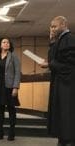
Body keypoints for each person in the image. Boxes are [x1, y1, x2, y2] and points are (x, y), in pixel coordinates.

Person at [39, 16, 75, 146]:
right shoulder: (60, 40)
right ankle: (63, 139)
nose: (52, 29)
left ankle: (69, 140)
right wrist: (52, 41)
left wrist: (50, 64)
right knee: (60, 113)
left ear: (64, 25)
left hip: (68, 85)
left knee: (67, 113)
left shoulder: (70, 40)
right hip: (60, 83)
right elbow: (53, 59)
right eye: (51, 26)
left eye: (54, 26)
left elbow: (69, 65)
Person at [0, 37, 21, 141]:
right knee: (0, 110)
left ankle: (11, 132)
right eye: (4, 42)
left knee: (11, 109)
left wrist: (16, 87)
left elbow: (17, 73)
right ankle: (0, 132)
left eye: (8, 42)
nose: (6, 44)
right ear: (0, 45)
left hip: (9, 87)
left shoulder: (14, 57)